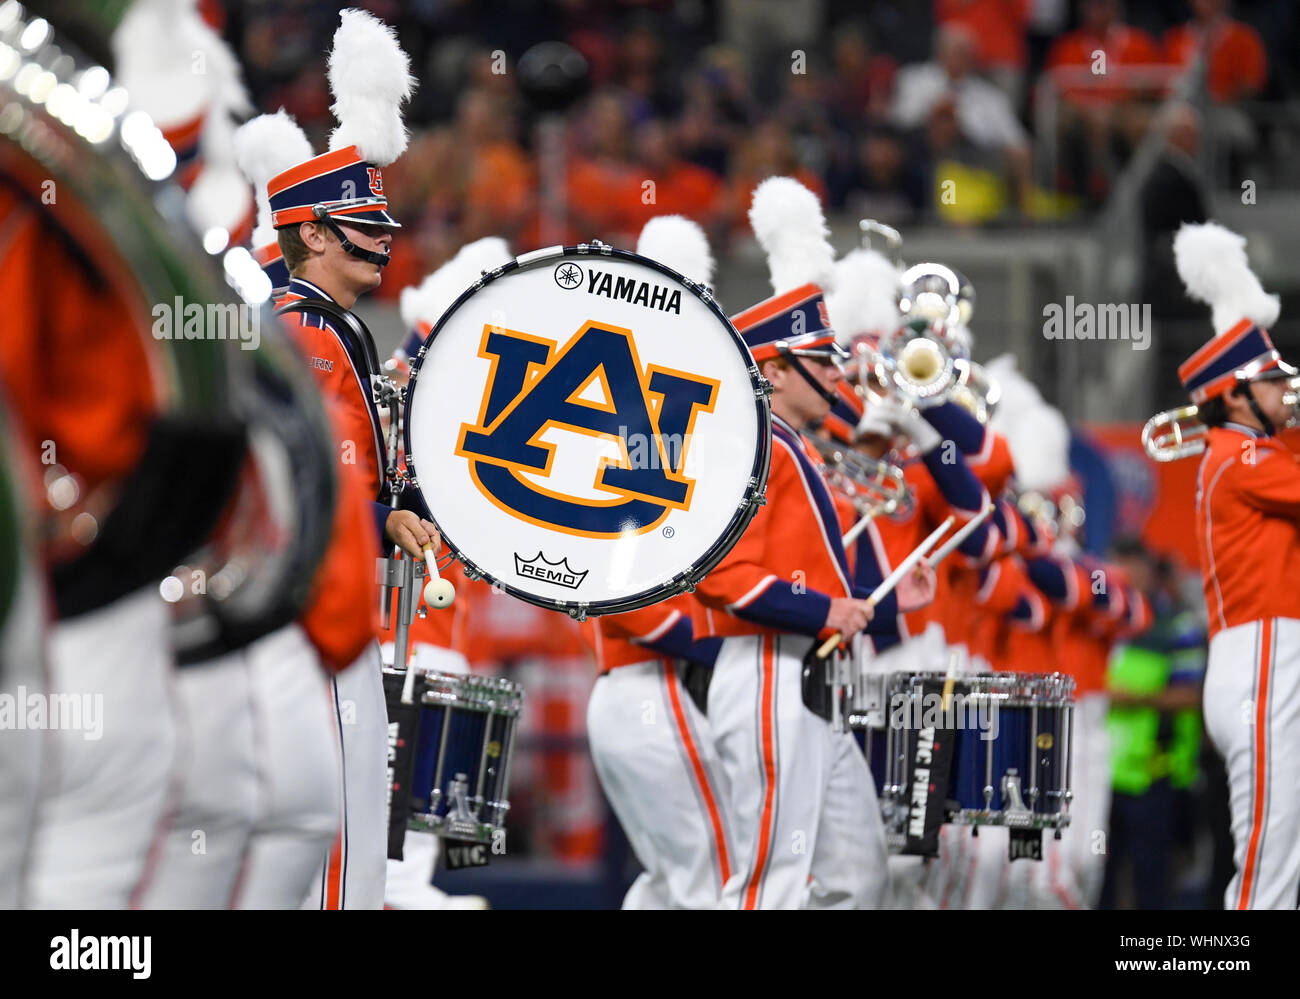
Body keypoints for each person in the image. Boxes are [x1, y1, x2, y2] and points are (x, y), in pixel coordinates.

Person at [692, 178, 936, 909]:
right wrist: (825, 610)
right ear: (771, 368)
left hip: (808, 679)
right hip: (766, 670)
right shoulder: (749, 442)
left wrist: (870, 601)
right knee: (770, 883)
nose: (836, 374)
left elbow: (801, 563)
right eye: (820, 362)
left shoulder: (790, 445)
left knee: (858, 877)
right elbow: (723, 575)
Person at [241, 8, 436, 910]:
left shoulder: (331, 327)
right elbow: (307, 493)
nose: (385, 234)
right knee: (342, 849)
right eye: (363, 219)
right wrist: (383, 517)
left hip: (330, 603)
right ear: (311, 233)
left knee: (350, 846)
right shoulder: (306, 330)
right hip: (319, 612)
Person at [1173, 220, 1300, 909]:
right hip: (1261, 658)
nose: (1286, 389)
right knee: (1266, 866)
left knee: (1281, 856)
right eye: (1272, 380)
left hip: (1266, 657)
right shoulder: (1242, 456)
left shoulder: (1253, 453)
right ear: (1233, 394)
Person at [1101, 539, 1205, 910]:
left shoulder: (1179, 626)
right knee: (1101, 877)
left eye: (1129, 573)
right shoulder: (1104, 621)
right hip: (1103, 776)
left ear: (1147, 570)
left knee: (1152, 881)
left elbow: (1193, 695)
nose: (1122, 580)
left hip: (1154, 776)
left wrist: (1137, 698)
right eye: (1115, 573)